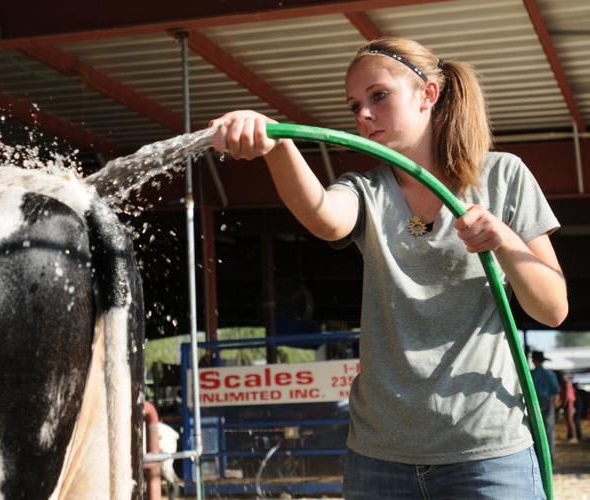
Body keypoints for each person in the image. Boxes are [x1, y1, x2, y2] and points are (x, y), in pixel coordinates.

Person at [209, 36, 568, 499]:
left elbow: (553, 308)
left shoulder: (503, 175)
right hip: (379, 455)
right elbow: (324, 217)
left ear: (428, 95)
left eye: (379, 96)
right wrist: (276, 144)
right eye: (355, 104)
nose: (363, 114)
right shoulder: (366, 189)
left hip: (486, 452)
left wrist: (503, 239)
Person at [531, 351, 560, 460]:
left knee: (534, 430)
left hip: (533, 403)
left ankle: (538, 458)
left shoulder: (530, 374)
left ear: (533, 361)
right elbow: (555, 391)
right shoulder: (550, 374)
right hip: (547, 402)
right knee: (548, 430)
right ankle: (549, 459)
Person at [557, 371, 579, 444]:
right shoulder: (566, 382)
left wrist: (563, 404)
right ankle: (571, 436)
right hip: (569, 403)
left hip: (569, 403)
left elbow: (566, 395)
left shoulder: (565, 383)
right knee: (569, 421)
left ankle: (574, 437)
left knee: (570, 421)